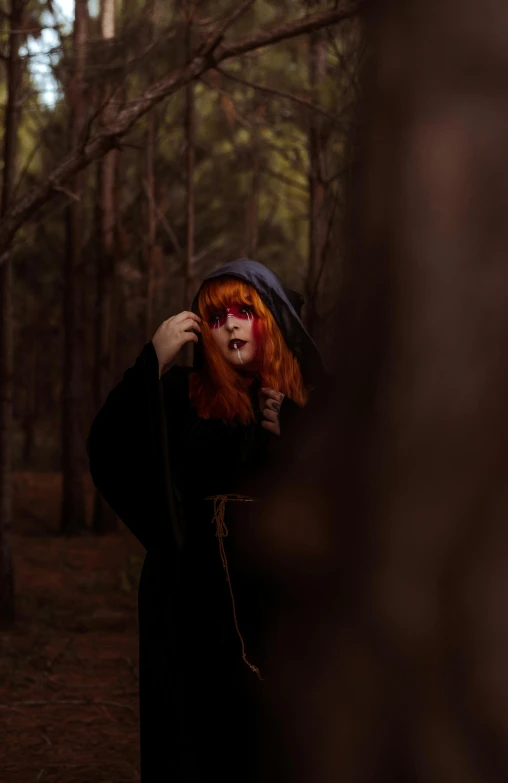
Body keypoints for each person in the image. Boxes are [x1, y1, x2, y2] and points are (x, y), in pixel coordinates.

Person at [87, 258, 324, 782]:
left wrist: (291, 440)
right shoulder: (180, 396)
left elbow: (340, 498)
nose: (232, 324)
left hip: (271, 603)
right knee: (193, 744)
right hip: (187, 601)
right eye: (216, 318)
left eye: (244, 310)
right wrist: (150, 361)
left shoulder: (298, 404)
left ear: (268, 318)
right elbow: (107, 448)